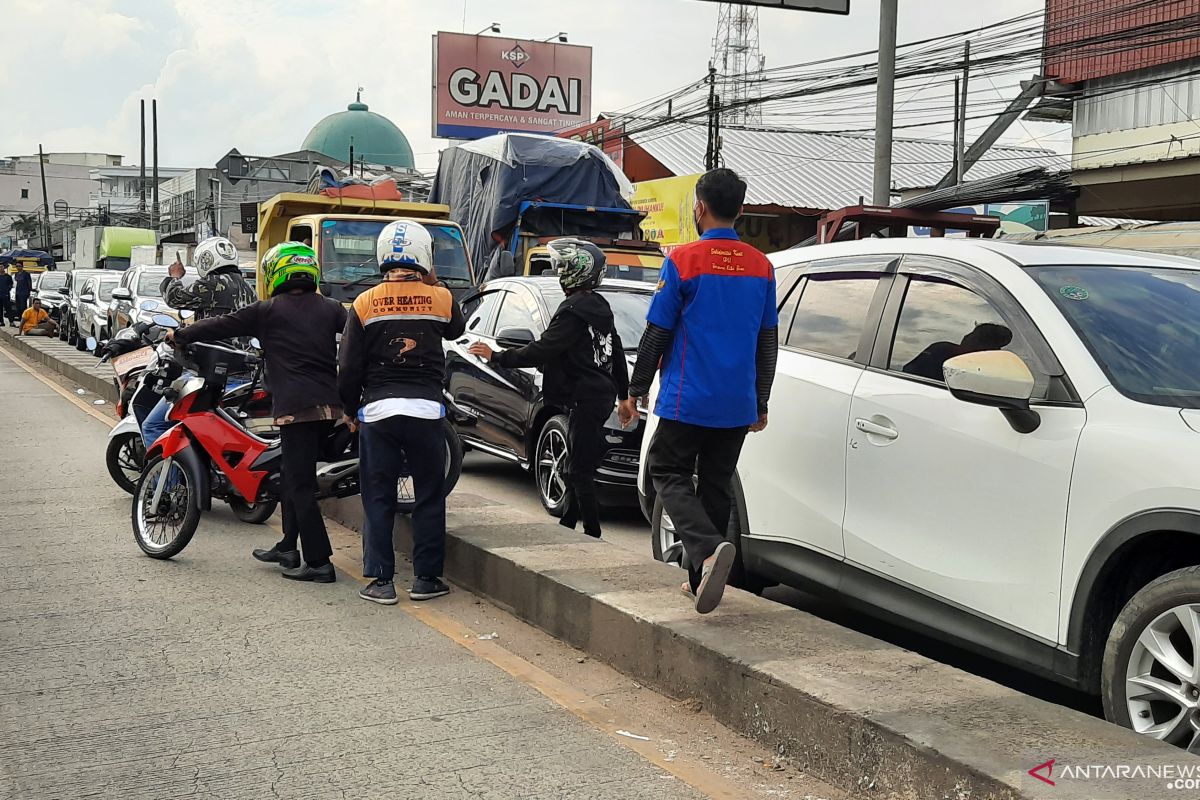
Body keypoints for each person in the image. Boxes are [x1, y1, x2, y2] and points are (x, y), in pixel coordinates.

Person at [618, 168, 778, 615]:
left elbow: (657, 332)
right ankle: (699, 580)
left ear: (699, 208)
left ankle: (708, 550)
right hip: (737, 403)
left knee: (665, 469)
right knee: (714, 485)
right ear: (741, 210)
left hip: (689, 397)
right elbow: (768, 342)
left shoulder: (683, 260)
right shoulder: (762, 267)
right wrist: (761, 399)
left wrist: (635, 388)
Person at [169, 242, 347, 583]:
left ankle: (320, 562)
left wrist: (179, 334)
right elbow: (358, 335)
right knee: (294, 475)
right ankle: (287, 548)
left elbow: (219, 325)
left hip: (296, 409)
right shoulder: (331, 308)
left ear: (276, 273)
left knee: (299, 485)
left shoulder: (268, 310)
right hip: (329, 407)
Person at [339, 220, 466, 605]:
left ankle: (381, 581)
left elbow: (349, 366)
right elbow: (456, 330)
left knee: (378, 496)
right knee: (429, 494)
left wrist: (348, 409)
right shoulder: (440, 298)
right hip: (427, 410)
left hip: (378, 412)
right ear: (424, 256)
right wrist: (435, 283)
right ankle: (427, 579)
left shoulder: (364, 303)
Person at [468, 239, 628, 539]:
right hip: (598, 395)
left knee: (579, 469)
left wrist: (497, 356)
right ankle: (568, 523)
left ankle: (592, 532)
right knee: (573, 462)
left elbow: (543, 350)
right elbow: (615, 351)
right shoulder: (599, 308)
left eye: (563, 266)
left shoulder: (573, 311)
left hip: (586, 397)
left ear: (576, 272)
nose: (558, 270)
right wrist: (623, 395)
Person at [141, 237, 256, 448]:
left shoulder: (212, 284)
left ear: (205, 260)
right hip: (243, 375)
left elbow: (174, 298)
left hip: (210, 372)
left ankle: (167, 481)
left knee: (154, 425)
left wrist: (175, 277)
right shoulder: (249, 290)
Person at [903, 323, 1013, 382]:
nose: (967, 336)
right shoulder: (940, 351)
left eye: (974, 335)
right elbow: (907, 374)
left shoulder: (990, 372)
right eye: (972, 334)